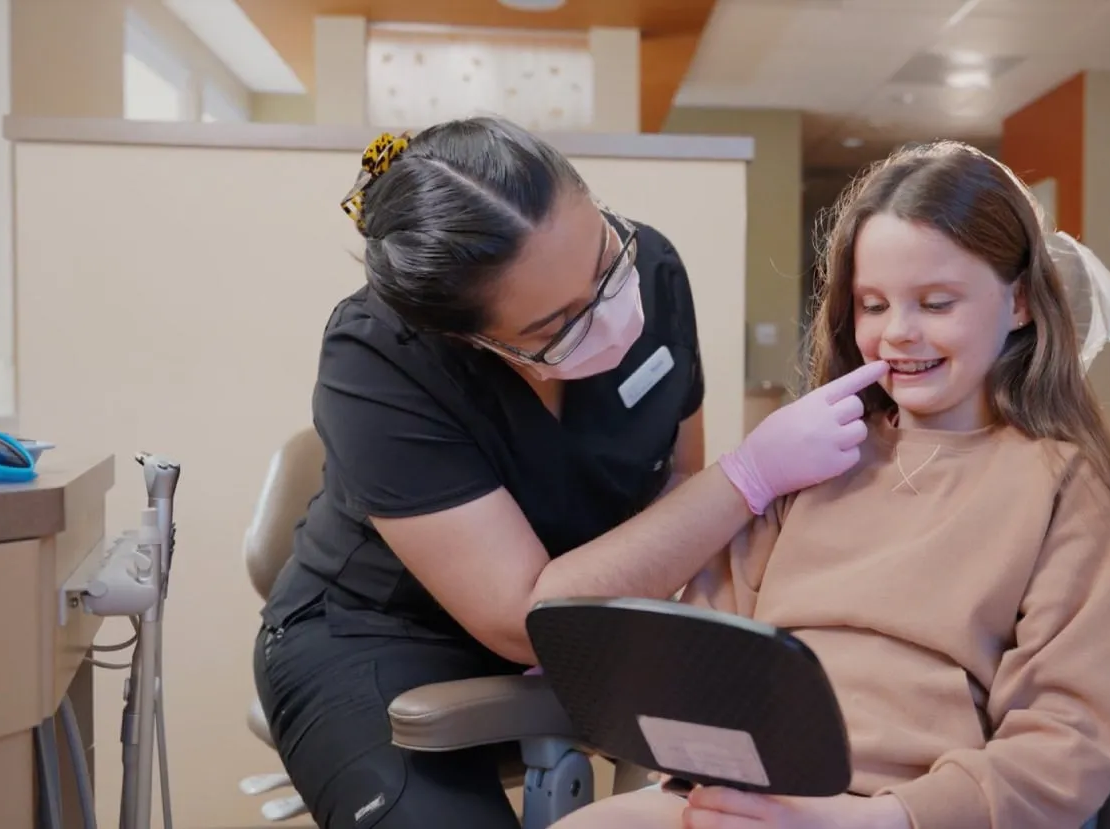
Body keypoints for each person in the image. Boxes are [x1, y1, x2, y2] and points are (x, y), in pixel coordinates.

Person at [252, 115, 890, 829]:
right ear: (467, 337)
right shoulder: (379, 359)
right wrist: (749, 474)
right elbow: (525, 618)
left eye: (604, 261)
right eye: (556, 325)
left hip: (593, 630)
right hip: (380, 640)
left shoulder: (653, 270)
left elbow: (676, 490)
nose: (611, 314)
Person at [553, 140, 1110, 829]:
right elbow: (705, 656)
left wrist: (866, 821)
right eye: (873, 305)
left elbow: (1067, 742)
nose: (898, 333)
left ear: (1019, 301)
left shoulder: (1061, 484)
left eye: (936, 302)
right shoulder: (810, 455)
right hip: (738, 796)